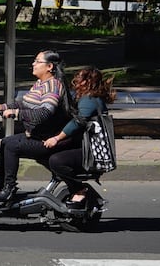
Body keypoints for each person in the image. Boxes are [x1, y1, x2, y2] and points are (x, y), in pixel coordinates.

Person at [0, 50, 72, 201]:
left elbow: (44, 113)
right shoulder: (40, 84)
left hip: (47, 140)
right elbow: (25, 103)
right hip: (35, 135)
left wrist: (16, 113)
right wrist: (3, 106)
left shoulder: (53, 86)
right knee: (5, 142)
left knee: (11, 146)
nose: (33, 64)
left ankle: (9, 189)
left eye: (37, 61)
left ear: (49, 66)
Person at [43, 66, 116, 208]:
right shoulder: (90, 98)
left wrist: (56, 138)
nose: (76, 81)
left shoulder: (89, 99)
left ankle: (78, 189)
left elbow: (78, 121)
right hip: (87, 148)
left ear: (88, 82)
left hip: (93, 152)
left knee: (56, 160)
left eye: (80, 78)